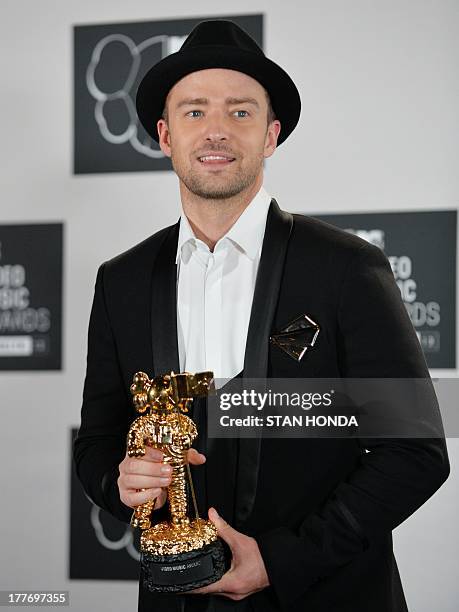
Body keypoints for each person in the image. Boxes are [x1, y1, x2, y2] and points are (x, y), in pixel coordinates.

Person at [74, 19, 450, 612]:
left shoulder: (348, 268)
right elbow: (97, 440)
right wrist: (119, 484)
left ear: (271, 135)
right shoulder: (120, 280)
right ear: (165, 134)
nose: (217, 130)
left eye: (241, 112)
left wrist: (283, 559)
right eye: (195, 112)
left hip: (330, 598)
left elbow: (415, 453)